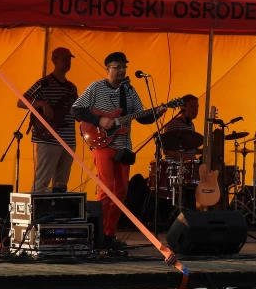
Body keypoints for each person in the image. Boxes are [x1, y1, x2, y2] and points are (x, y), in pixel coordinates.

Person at [71, 52, 166, 249]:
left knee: (121, 191)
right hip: (103, 144)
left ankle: (109, 233)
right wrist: (100, 120)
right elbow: (76, 109)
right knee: (106, 188)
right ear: (107, 69)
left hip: (123, 146)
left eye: (124, 67)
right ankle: (97, 233)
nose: (121, 70)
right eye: (117, 67)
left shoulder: (130, 91)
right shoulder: (96, 87)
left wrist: (156, 113)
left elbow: (141, 116)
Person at [18, 47, 78, 193]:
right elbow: (21, 101)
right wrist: (42, 104)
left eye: (69, 59)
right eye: (65, 59)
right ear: (54, 60)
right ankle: (37, 212)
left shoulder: (72, 87)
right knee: (42, 180)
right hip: (48, 138)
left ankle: (58, 212)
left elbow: (77, 110)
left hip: (68, 138)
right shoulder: (44, 83)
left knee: (61, 182)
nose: (68, 62)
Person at [161, 94, 199, 160]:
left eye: (197, 107)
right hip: (176, 168)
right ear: (183, 108)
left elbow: (189, 149)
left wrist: (205, 151)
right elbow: (166, 150)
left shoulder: (191, 125)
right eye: (192, 107)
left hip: (188, 167)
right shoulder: (173, 124)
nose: (196, 110)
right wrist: (184, 157)